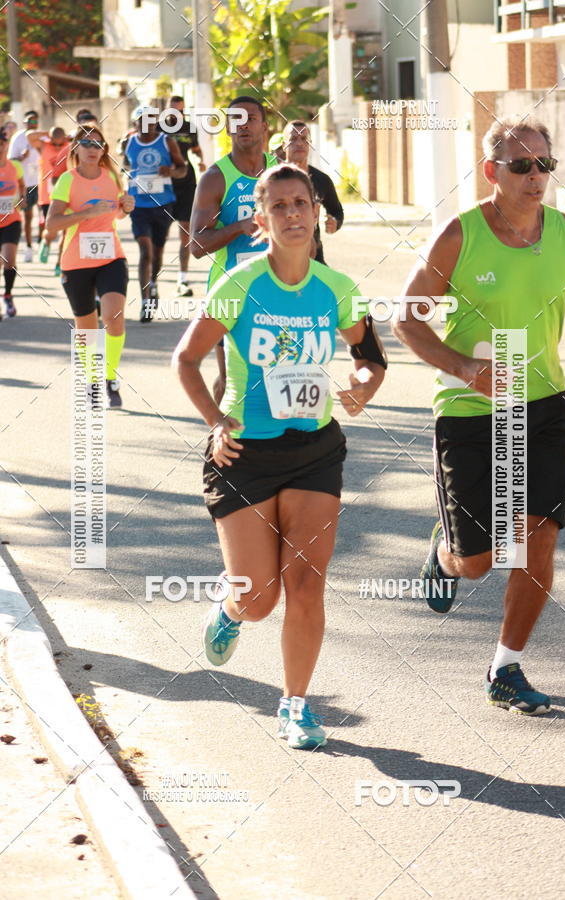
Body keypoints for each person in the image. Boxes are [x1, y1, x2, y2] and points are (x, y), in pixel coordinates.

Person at [174, 163, 387, 749]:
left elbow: (371, 356)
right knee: (259, 597)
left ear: (317, 211)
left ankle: (295, 705)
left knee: (307, 584)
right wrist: (216, 421)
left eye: (302, 204)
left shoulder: (337, 290)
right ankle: (231, 608)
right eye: (280, 207)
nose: (293, 215)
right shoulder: (240, 284)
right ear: (262, 219)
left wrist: (362, 385)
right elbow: (186, 361)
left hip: (315, 449)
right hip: (245, 454)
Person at [393, 116, 565, 715]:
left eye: (544, 164)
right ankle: (445, 555)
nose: (536, 176)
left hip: (543, 407)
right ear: (493, 172)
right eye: (521, 165)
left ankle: (505, 667)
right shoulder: (460, 236)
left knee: (539, 540)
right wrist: (465, 369)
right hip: (470, 411)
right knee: (478, 563)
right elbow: (406, 318)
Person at [190, 95, 277, 402]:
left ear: (265, 127)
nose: (243, 126)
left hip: (277, 288)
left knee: (279, 376)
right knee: (231, 382)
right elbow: (196, 245)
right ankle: (218, 439)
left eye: (251, 118)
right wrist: (238, 228)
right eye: (236, 120)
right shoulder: (216, 178)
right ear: (227, 128)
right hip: (231, 290)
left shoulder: (282, 174)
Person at [46, 125, 135, 407]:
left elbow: (117, 214)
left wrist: (126, 206)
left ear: (104, 150)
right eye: (86, 143)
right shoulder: (67, 181)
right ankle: (92, 380)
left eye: (98, 144)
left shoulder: (111, 176)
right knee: (87, 328)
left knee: (113, 317)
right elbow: (52, 224)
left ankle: (110, 378)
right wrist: (85, 213)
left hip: (111, 258)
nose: (92, 149)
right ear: (76, 149)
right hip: (76, 262)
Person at [123, 106, 187, 322]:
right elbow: (124, 166)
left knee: (157, 252)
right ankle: (145, 302)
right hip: (138, 205)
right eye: (142, 121)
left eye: (151, 121)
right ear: (135, 124)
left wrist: (171, 171)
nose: (147, 125)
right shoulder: (128, 142)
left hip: (162, 204)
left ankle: (154, 283)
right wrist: (127, 177)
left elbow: (182, 168)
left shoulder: (167, 141)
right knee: (145, 251)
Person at [283, 120, 344, 264]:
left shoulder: (322, 180)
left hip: (314, 258)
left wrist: (334, 222)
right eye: (293, 139)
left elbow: (336, 211)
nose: (299, 143)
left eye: (304, 139)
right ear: (283, 144)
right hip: (280, 259)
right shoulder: (272, 179)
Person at [162, 95, 205, 298]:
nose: (176, 115)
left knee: (186, 231)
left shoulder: (190, 128)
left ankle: (182, 277)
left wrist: (201, 161)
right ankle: (152, 279)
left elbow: (196, 150)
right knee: (158, 234)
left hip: (187, 182)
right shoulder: (159, 128)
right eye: (173, 110)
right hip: (164, 183)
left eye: (180, 111)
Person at [27, 125, 69, 272]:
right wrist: (49, 132)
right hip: (47, 196)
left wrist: (67, 137)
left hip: (66, 194)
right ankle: (46, 241)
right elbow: (30, 136)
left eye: (60, 143)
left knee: (66, 231)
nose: (58, 146)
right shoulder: (44, 146)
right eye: (55, 143)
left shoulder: (69, 146)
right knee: (51, 229)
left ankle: (59, 263)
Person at [0, 125, 25, 318]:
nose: (1, 148)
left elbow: (22, 184)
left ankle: (7, 294)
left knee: (9, 260)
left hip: (11, 220)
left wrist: (23, 197)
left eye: (3, 144)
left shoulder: (14, 166)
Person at [8, 110, 40, 262]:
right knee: (27, 216)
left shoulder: (43, 136)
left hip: (41, 182)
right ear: (25, 123)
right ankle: (28, 247)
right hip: (24, 183)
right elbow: (10, 160)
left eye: (35, 121)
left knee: (44, 215)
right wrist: (22, 157)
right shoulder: (18, 138)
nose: (33, 124)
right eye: (30, 122)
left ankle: (40, 241)